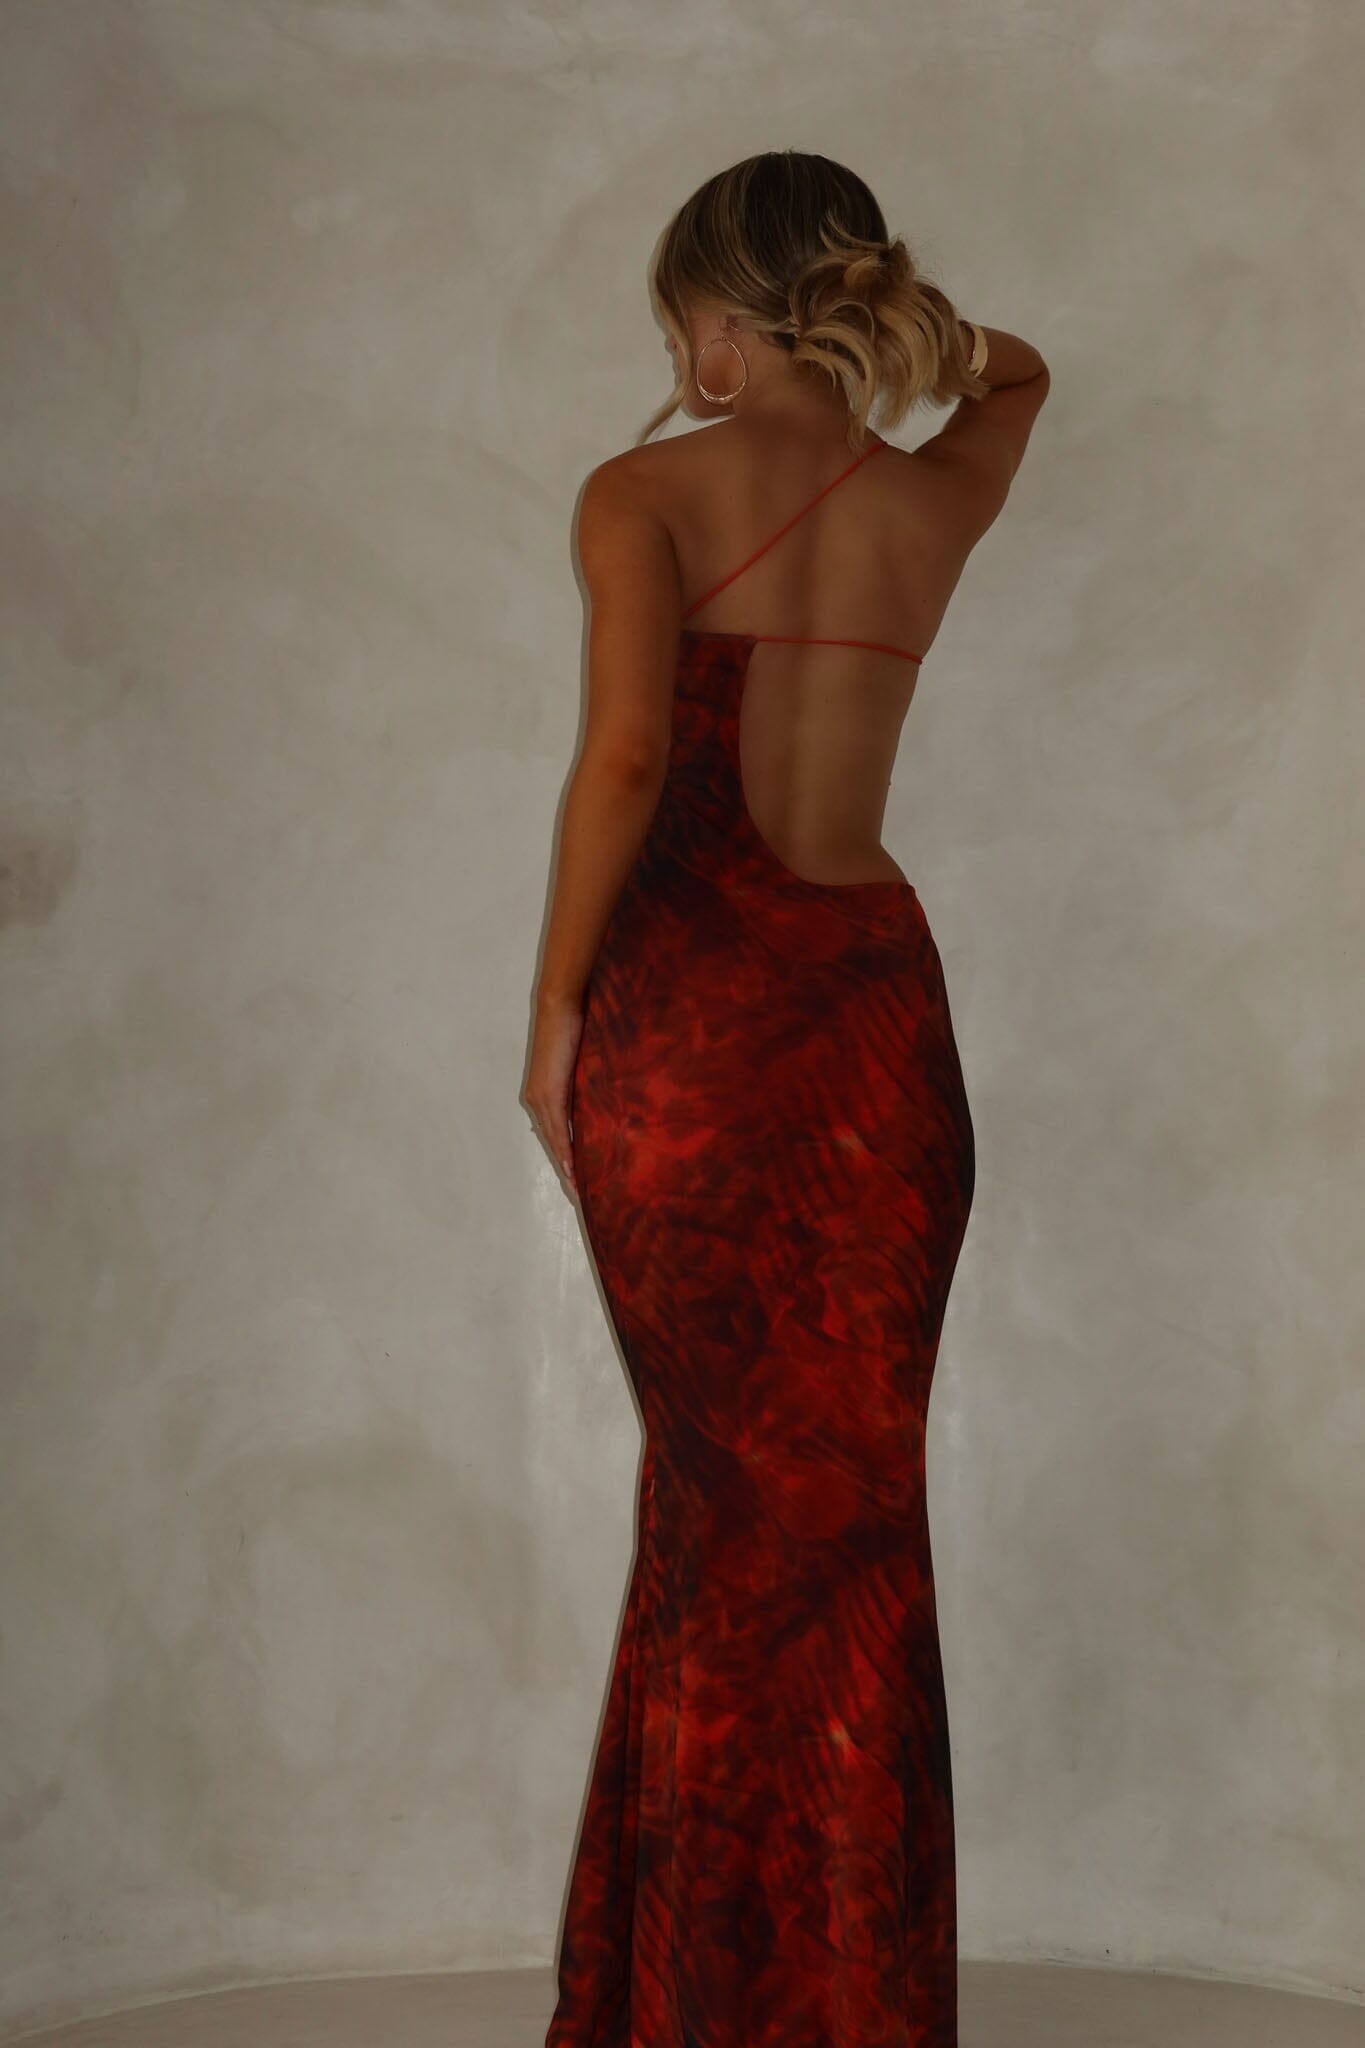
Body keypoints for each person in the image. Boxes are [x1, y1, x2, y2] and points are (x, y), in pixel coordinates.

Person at [524, 149, 1049, 2048]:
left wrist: (555, 1010)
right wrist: (904, 340)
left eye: (681, 322)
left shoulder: (641, 491)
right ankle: (849, 2006)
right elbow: (1021, 375)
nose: (677, 357)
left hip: (694, 1028)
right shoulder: (927, 499)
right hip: (877, 1038)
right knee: (846, 1528)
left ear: (717, 322)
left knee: (721, 1511)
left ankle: (690, 2003)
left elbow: (627, 759)